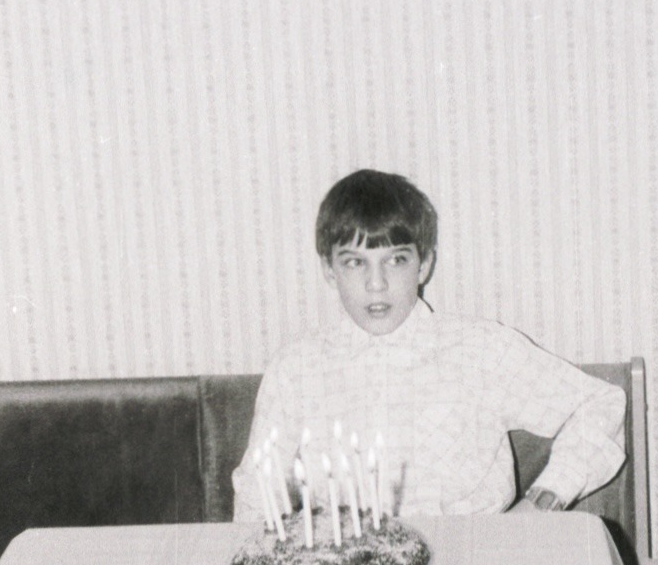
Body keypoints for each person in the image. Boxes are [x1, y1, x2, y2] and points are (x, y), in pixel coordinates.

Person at [232, 169, 626, 520]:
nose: (376, 283)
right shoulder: (296, 369)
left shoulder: (481, 351)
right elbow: (256, 497)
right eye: (355, 262)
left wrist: (543, 500)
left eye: (396, 260)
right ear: (329, 271)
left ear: (424, 265)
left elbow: (599, 403)